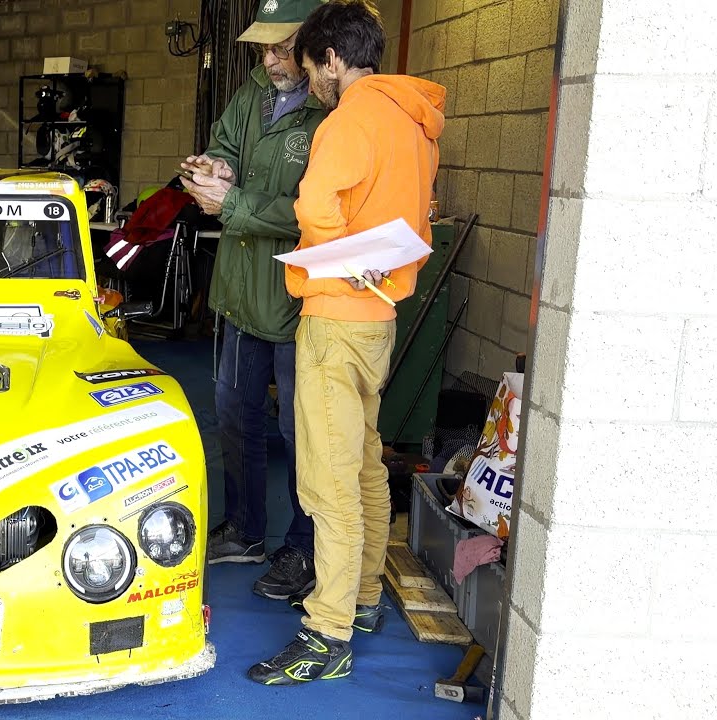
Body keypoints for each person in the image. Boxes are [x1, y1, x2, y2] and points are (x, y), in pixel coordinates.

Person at [246, 0, 444, 686]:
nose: (311, 83)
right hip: (380, 318)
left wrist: (337, 256)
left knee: (327, 482)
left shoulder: (349, 118)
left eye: (310, 68)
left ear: (332, 59)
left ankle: (326, 634)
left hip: (335, 315)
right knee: (362, 464)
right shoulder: (413, 120)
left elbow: (313, 206)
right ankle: (360, 599)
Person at [178, 0, 327, 603]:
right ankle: (244, 530)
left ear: (316, 45)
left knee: (300, 432)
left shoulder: (329, 114)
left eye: (283, 47)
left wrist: (232, 202)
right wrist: (213, 167)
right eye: (263, 48)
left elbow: (313, 216)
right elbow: (228, 148)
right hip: (241, 293)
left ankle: (301, 543)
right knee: (235, 415)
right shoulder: (252, 94)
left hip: (295, 303)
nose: (270, 59)